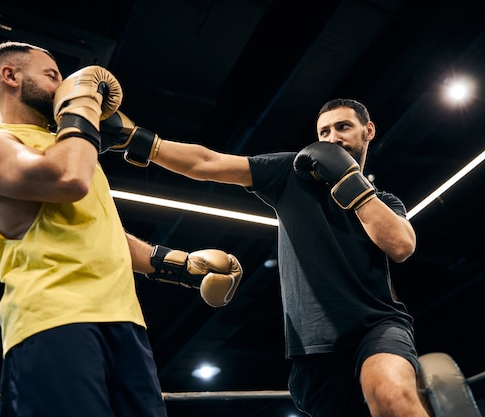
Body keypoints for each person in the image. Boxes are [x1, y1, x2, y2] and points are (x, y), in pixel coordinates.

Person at [0, 41, 242, 417]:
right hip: (54, 320)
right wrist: (81, 109)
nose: (64, 87)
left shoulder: (68, 147)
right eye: (52, 76)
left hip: (126, 323)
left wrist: (180, 265)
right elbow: (68, 178)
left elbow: (98, 233)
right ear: (11, 76)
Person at [102, 98, 430, 416]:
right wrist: (142, 141)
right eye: (324, 132)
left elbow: (401, 246)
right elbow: (209, 163)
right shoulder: (292, 173)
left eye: (343, 127)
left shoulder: (385, 201)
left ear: (368, 131)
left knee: (393, 397)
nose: (332, 138)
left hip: (376, 326)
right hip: (314, 349)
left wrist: (349, 183)